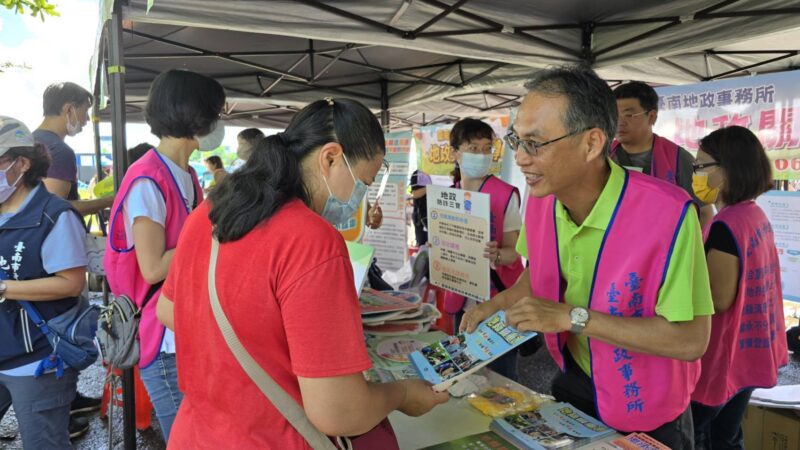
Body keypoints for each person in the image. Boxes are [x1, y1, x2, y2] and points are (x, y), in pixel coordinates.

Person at [155, 98, 448, 448]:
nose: (359, 198)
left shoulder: (209, 213)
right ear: (330, 158)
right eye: (363, 183)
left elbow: (169, 311)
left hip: (195, 435)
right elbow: (339, 412)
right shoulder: (312, 240)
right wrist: (402, 394)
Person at [462, 66, 713, 449]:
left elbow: (691, 340)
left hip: (647, 406)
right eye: (516, 140)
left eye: (535, 143)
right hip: (576, 379)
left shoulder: (669, 215)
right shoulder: (542, 200)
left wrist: (573, 318)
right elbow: (539, 273)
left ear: (592, 143)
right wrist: (494, 306)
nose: (521, 158)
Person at [104, 69, 225, 442]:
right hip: (161, 337)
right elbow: (153, 267)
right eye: (216, 112)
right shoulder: (147, 179)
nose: (219, 122)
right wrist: (211, 234)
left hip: (183, 326)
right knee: (185, 438)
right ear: (197, 115)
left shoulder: (185, 175)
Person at [690, 126, 788, 449]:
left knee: (700, 437)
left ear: (727, 171)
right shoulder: (753, 215)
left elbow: (718, 299)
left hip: (722, 359)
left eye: (701, 166)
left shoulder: (726, 225)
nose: (695, 174)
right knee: (727, 437)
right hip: (748, 354)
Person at [0, 117, 89, 449]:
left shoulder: (55, 214)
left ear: (22, 163)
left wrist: (4, 288)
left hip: (36, 358)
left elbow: (71, 283)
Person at [443, 118, 525, 381]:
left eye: (486, 148)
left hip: (497, 300)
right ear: (455, 153)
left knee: (501, 377)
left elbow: (515, 252)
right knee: (463, 370)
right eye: (473, 148)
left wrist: (496, 254)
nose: (481, 155)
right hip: (461, 297)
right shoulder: (448, 196)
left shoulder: (505, 194)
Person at [612, 81, 714, 226]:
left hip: (667, 238)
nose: (619, 122)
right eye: (615, 115)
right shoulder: (603, 156)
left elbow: (704, 212)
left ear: (651, 116)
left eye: (629, 115)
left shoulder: (678, 158)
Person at [33, 82, 114, 216]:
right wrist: (109, 200)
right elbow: (53, 210)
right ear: (69, 109)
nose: (87, 119)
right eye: (85, 111)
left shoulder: (27, 141)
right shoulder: (59, 151)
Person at [409, 169, 431, 247]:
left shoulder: (445, 172)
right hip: (422, 220)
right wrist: (431, 187)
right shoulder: (419, 173)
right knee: (424, 247)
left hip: (441, 219)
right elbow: (415, 193)